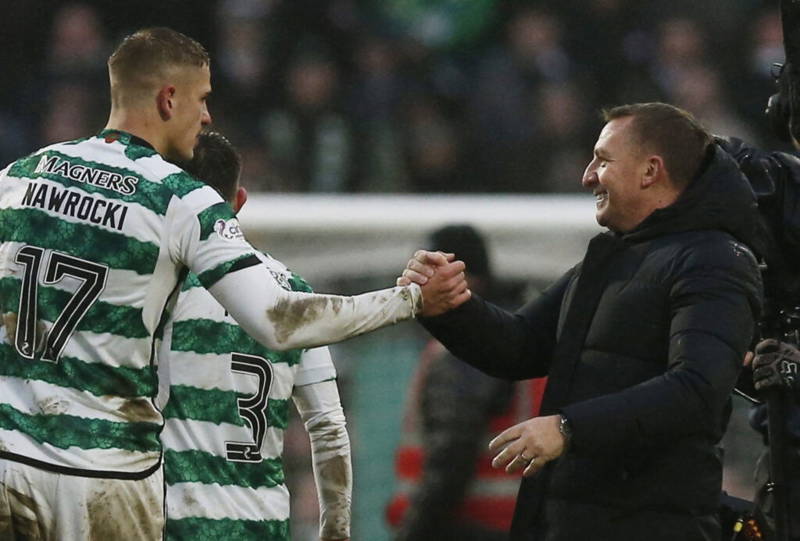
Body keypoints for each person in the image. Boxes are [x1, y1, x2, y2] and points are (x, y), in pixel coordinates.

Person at [0, 27, 435, 540]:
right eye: (202, 99)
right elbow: (279, 323)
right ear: (169, 99)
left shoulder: (20, 175)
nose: (206, 115)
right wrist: (412, 299)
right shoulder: (179, 200)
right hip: (104, 474)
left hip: (10, 459)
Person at [399, 102, 764, 540]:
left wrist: (568, 428)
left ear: (650, 171)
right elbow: (519, 345)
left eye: (603, 160)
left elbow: (697, 390)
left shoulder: (715, 261)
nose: (588, 175)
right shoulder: (609, 258)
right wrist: (449, 308)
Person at [160, 131, 351, 540]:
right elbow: (328, 427)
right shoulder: (295, 292)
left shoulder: (156, 287)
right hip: (261, 524)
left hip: (172, 522)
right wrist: (336, 529)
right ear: (239, 202)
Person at [386, 224, 546, 541]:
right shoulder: (523, 332)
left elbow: (451, 456)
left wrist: (413, 533)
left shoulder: (463, 348)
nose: (414, 285)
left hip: (467, 527)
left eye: (425, 272)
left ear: (460, 277)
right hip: (512, 523)